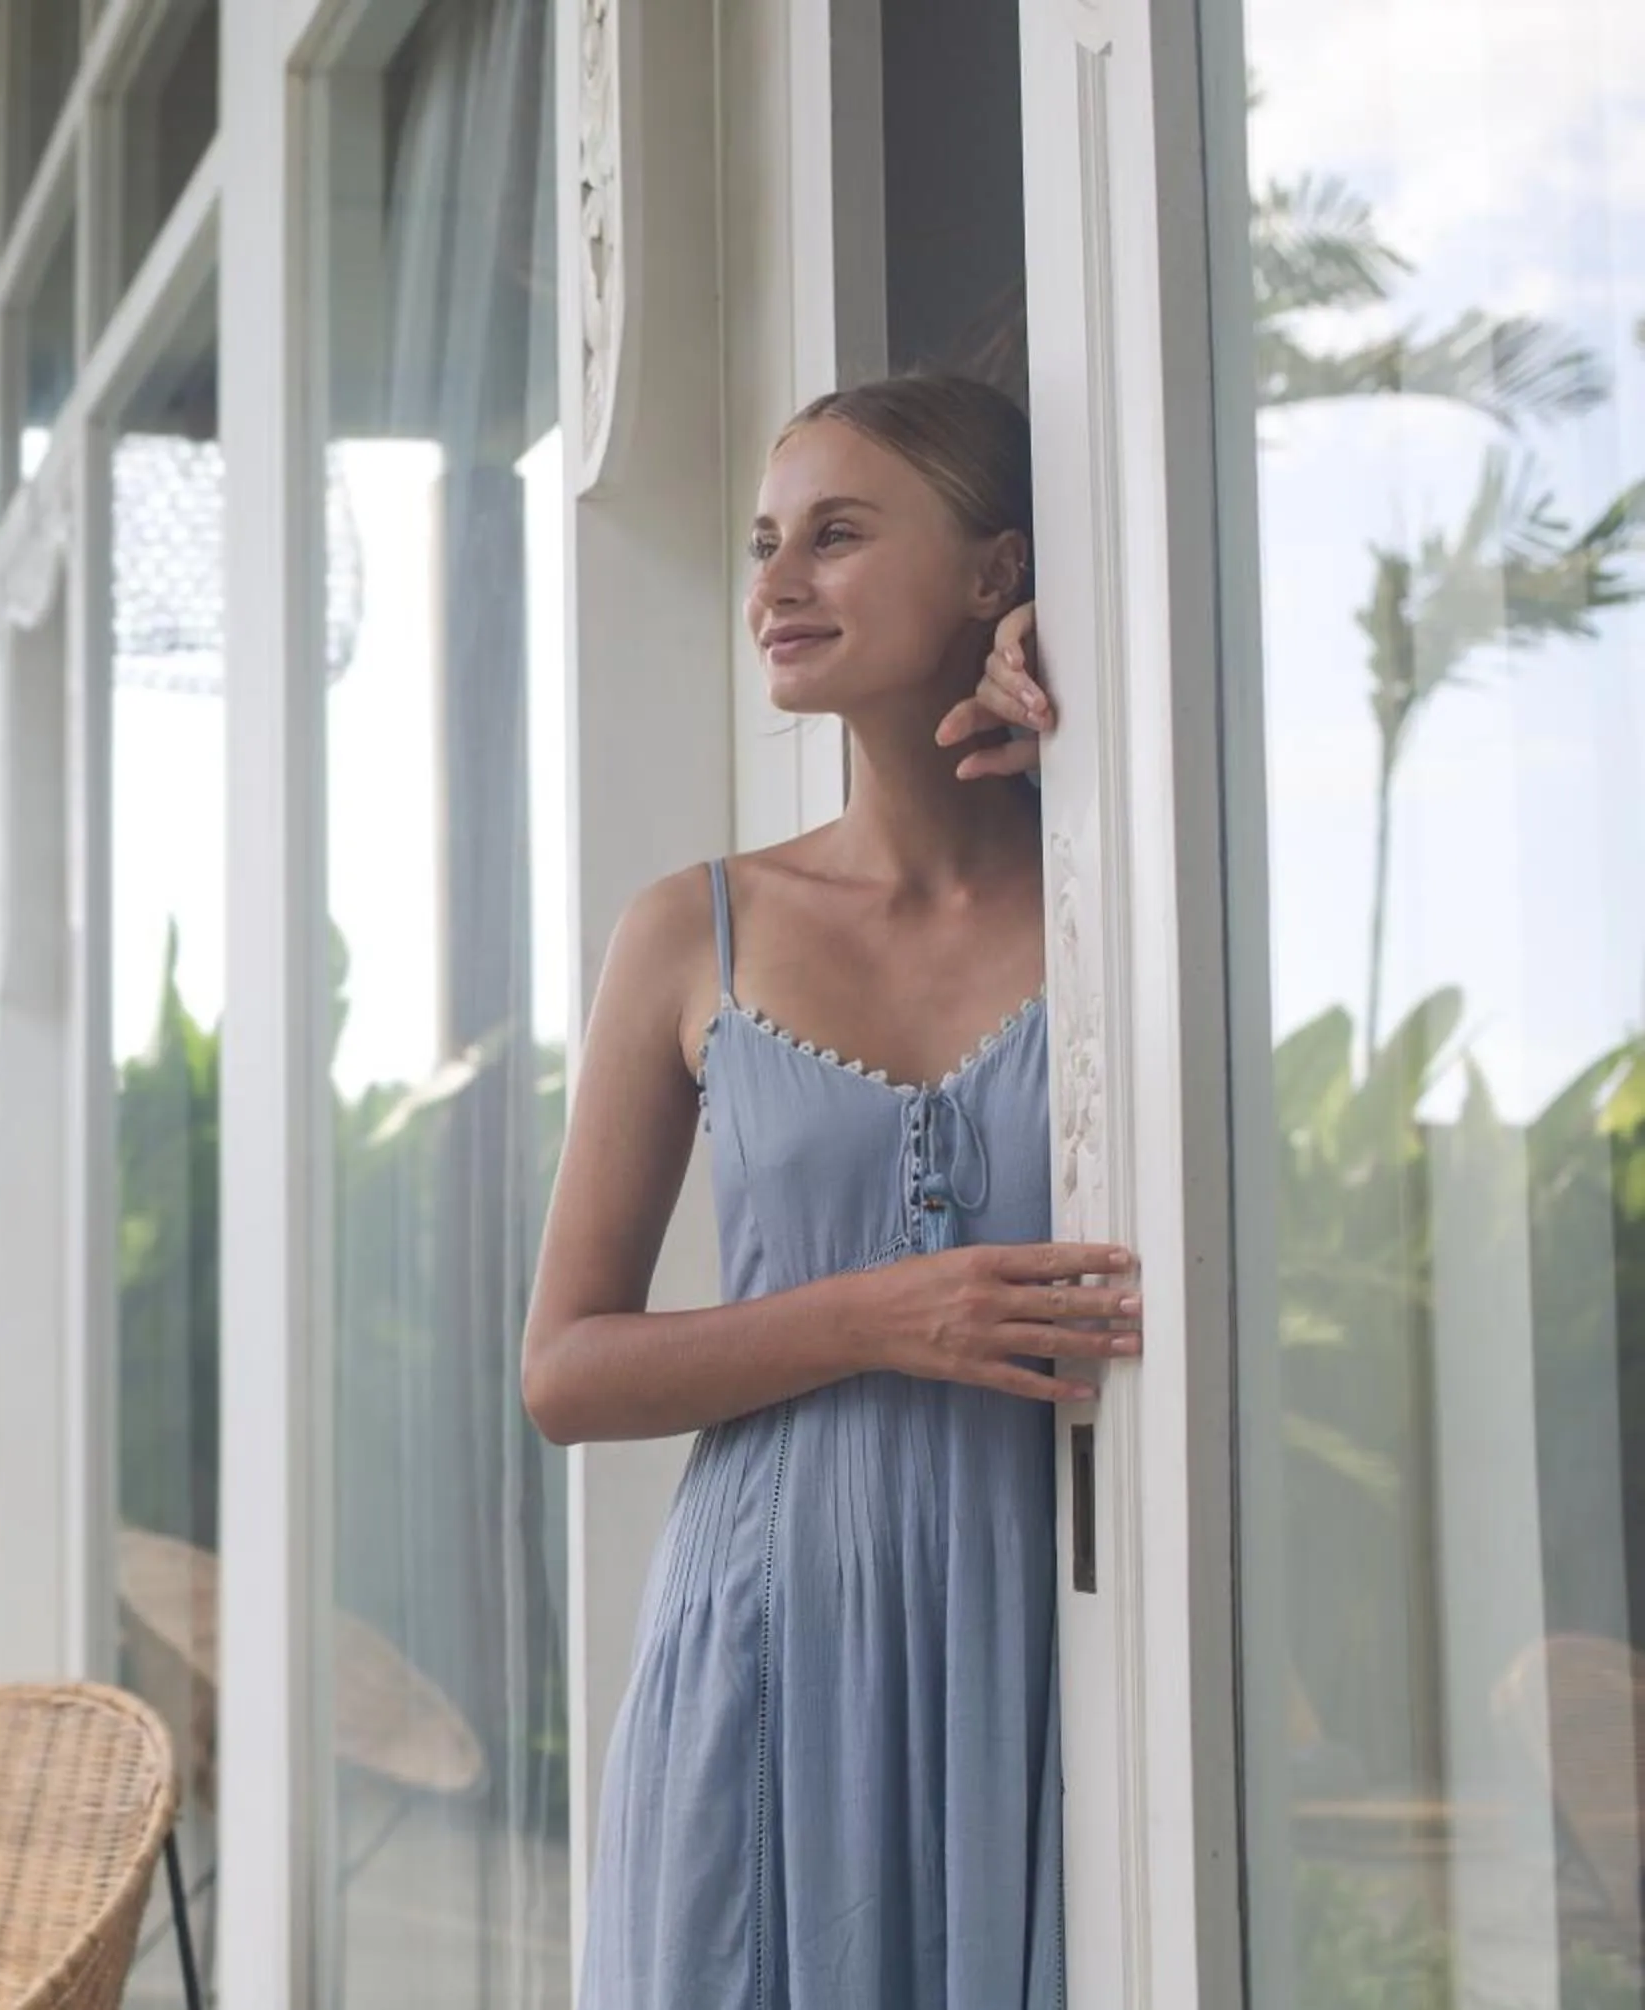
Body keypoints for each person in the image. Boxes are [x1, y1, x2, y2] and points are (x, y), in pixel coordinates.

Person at [521, 373, 1133, 2009]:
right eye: (764, 544)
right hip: (771, 1633)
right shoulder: (691, 929)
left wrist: (1113, 715)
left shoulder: (1118, 899)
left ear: (999, 572)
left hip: (1057, 1621)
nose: (777, 586)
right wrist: (882, 1309)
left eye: (840, 536)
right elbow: (565, 1370)